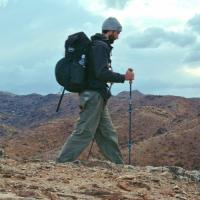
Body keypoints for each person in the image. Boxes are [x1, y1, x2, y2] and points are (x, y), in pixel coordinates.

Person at [57, 17, 134, 164]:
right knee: (84, 131)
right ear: (110, 31)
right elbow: (101, 73)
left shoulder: (96, 45)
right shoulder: (101, 46)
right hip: (94, 96)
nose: (118, 36)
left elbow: (97, 72)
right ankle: (61, 163)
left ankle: (119, 166)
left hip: (95, 95)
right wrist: (124, 77)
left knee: (107, 133)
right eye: (117, 33)